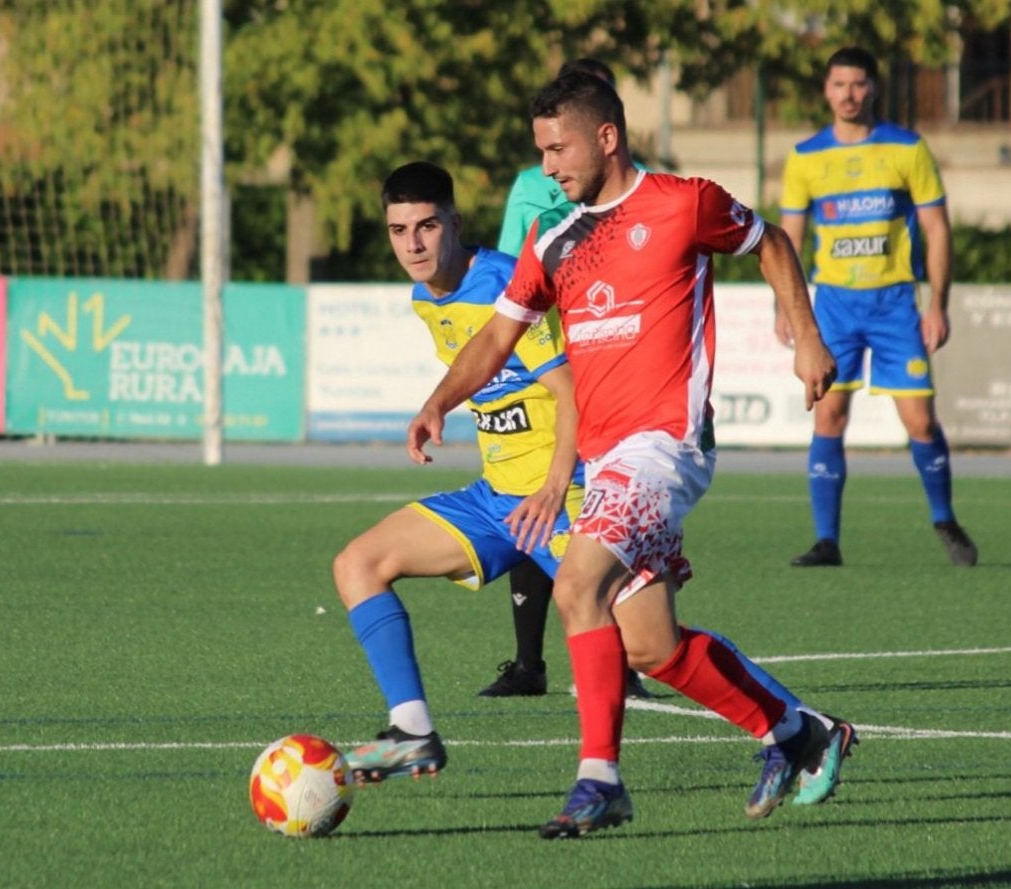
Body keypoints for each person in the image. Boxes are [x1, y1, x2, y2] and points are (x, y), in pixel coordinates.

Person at [408, 71, 856, 838]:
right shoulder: (553, 240)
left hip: (665, 446)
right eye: (540, 151)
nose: (547, 167)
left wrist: (807, 333)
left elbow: (771, 241)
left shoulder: (685, 203)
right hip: (604, 458)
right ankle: (799, 732)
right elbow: (495, 335)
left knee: (578, 581)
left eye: (558, 148)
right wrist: (440, 400)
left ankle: (600, 779)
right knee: (650, 645)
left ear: (606, 138)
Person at [334, 161, 581, 781]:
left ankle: (795, 728)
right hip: (499, 499)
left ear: (455, 222)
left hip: (568, 495)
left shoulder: (507, 285)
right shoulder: (426, 297)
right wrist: (437, 405)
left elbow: (576, 394)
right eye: (398, 230)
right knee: (358, 565)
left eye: (426, 226)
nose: (412, 245)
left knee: (650, 645)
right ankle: (412, 732)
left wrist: (554, 489)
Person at [777, 46, 978, 569]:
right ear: (826, 90)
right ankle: (827, 541)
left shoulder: (907, 149)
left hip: (894, 306)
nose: (849, 94)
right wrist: (789, 309)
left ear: (873, 89)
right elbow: (789, 240)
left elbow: (936, 228)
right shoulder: (804, 157)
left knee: (920, 422)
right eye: (839, 85)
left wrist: (938, 302)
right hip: (835, 308)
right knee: (830, 416)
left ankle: (944, 517)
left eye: (859, 84)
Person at [487, 57, 650, 700]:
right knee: (541, 503)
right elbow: (514, 277)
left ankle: (632, 658)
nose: (554, 162)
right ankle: (530, 664)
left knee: (613, 511)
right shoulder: (532, 188)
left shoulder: (651, 194)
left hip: (619, 366)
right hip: (556, 358)